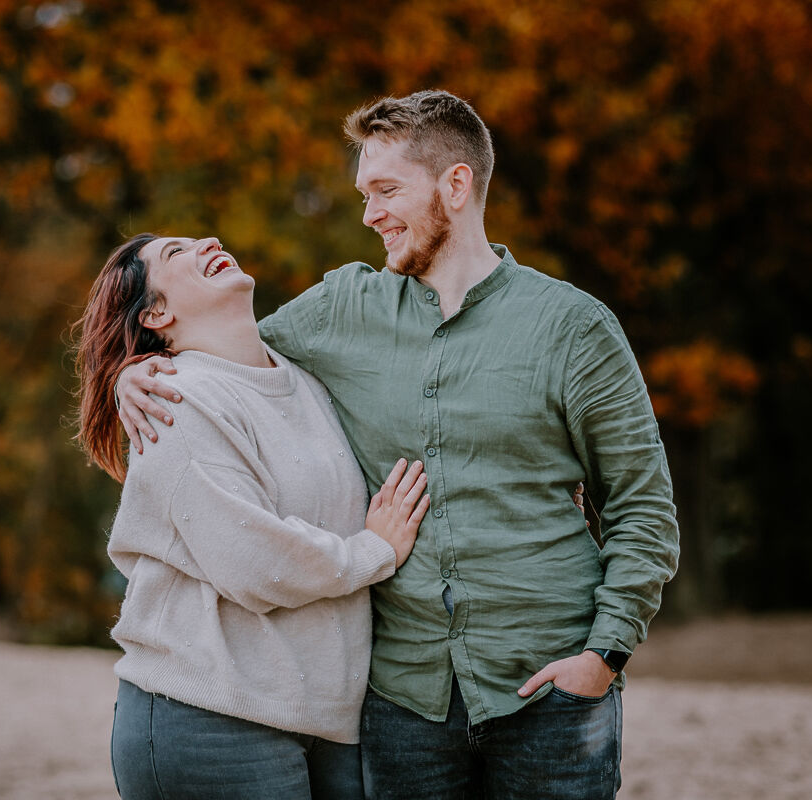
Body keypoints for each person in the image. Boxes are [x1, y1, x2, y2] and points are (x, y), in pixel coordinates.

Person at [115, 90, 680, 799]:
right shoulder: (342, 309)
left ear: (456, 183)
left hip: (550, 691)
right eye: (362, 194)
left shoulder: (574, 328)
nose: (368, 214)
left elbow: (643, 508)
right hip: (402, 702)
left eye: (386, 190)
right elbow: (223, 356)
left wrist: (603, 655)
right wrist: (132, 373)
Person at [74, 232, 433, 799]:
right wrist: (376, 549)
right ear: (157, 312)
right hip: (208, 717)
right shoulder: (176, 401)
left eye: (197, 238)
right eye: (175, 254)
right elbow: (254, 561)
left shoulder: (307, 382)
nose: (207, 242)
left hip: (324, 719)